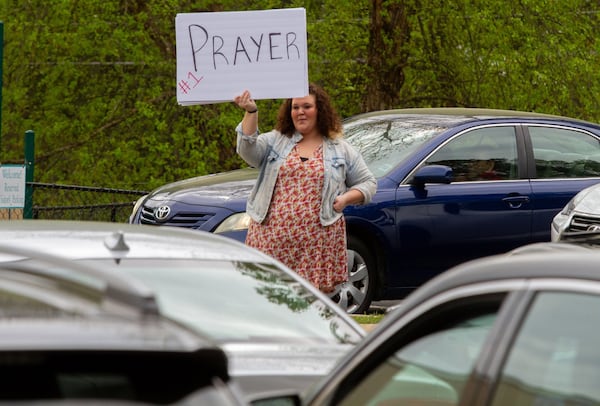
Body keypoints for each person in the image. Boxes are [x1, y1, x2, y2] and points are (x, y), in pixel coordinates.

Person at [233, 83, 377, 294]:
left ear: (320, 110)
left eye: (307, 106)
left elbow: (368, 183)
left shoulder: (341, 149)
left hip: (316, 244)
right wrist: (251, 111)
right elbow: (247, 149)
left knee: (309, 304)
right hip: (270, 240)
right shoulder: (276, 141)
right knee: (267, 298)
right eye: (295, 107)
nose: (300, 112)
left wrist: (345, 199)